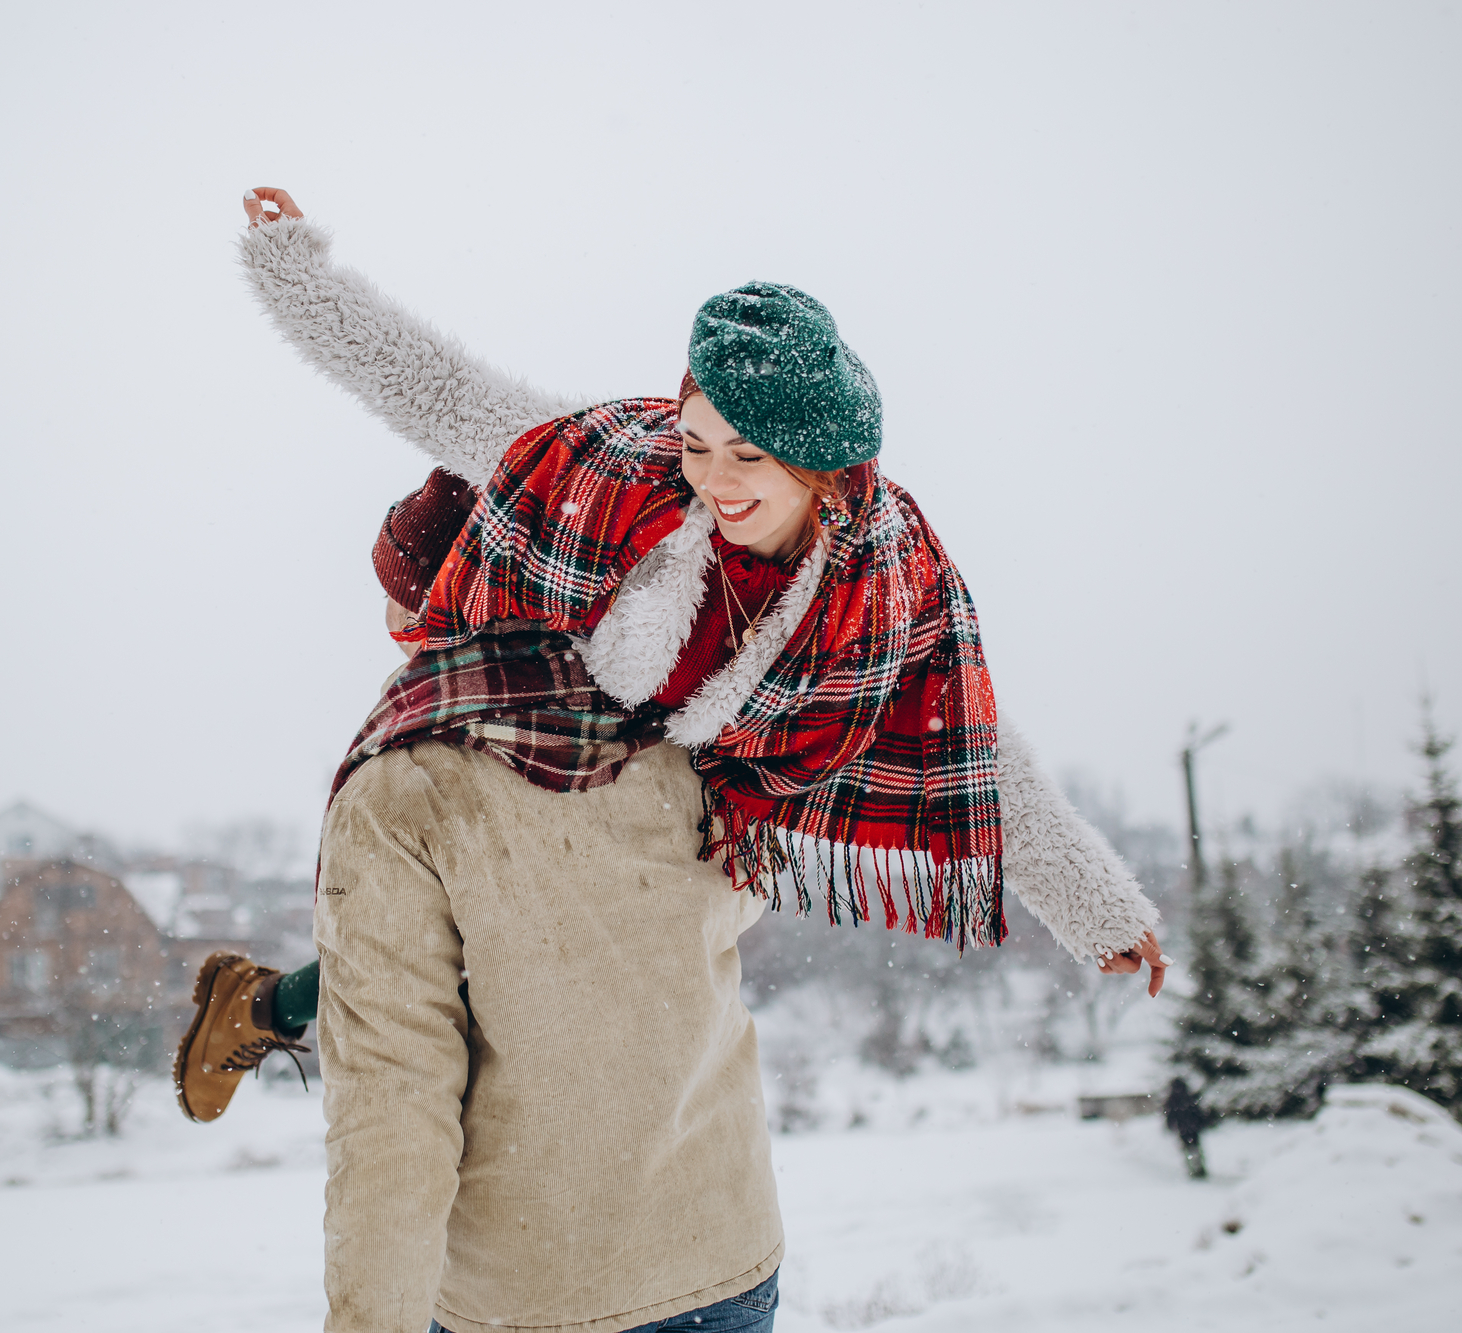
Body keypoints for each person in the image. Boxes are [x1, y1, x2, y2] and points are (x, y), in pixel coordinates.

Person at [174, 185, 1173, 1333]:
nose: (712, 477)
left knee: (454, 967)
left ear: (828, 474)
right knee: (434, 958)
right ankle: (261, 1006)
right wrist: (293, 267)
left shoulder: (878, 591)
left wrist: (1094, 905)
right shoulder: (614, 471)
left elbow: (971, 750)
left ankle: (260, 1005)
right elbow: (428, 383)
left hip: (679, 835)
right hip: (538, 701)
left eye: (747, 455)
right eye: (696, 441)